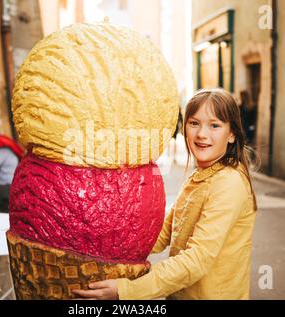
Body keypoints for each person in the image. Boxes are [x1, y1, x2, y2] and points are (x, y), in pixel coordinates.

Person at [73, 88, 258, 300]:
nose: (201, 134)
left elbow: (197, 259)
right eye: (194, 123)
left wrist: (126, 291)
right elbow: (161, 234)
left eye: (214, 125)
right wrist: (108, 247)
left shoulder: (229, 182)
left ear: (232, 133)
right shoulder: (200, 176)